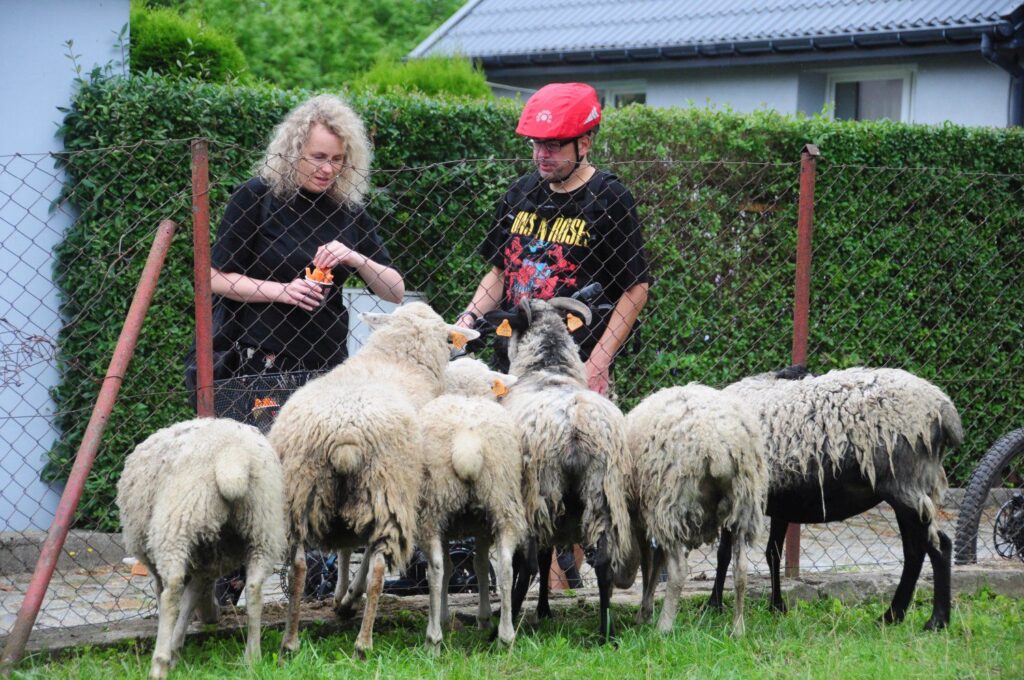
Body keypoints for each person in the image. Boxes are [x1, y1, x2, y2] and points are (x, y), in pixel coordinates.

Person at [202, 94, 404, 603]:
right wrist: (282, 290)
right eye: (317, 156)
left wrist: (355, 257)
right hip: (258, 360)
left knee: (314, 478)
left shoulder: (348, 212)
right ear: (293, 150)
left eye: (337, 159)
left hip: (325, 368)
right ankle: (229, 585)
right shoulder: (256, 198)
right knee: (249, 474)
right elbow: (211, 276)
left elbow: (396, 291)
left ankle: (311, 588)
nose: (326, 168)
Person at [457, 82, 649, 396]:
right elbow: (498, 273)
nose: (541, 155)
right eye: (536, 144)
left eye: (554, 146)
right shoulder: (520, 192)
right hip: (511, 359)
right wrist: (469, 318)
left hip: (571, 364)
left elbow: (636, 288)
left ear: (584, 144)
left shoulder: (609, 198)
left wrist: (599, 363)